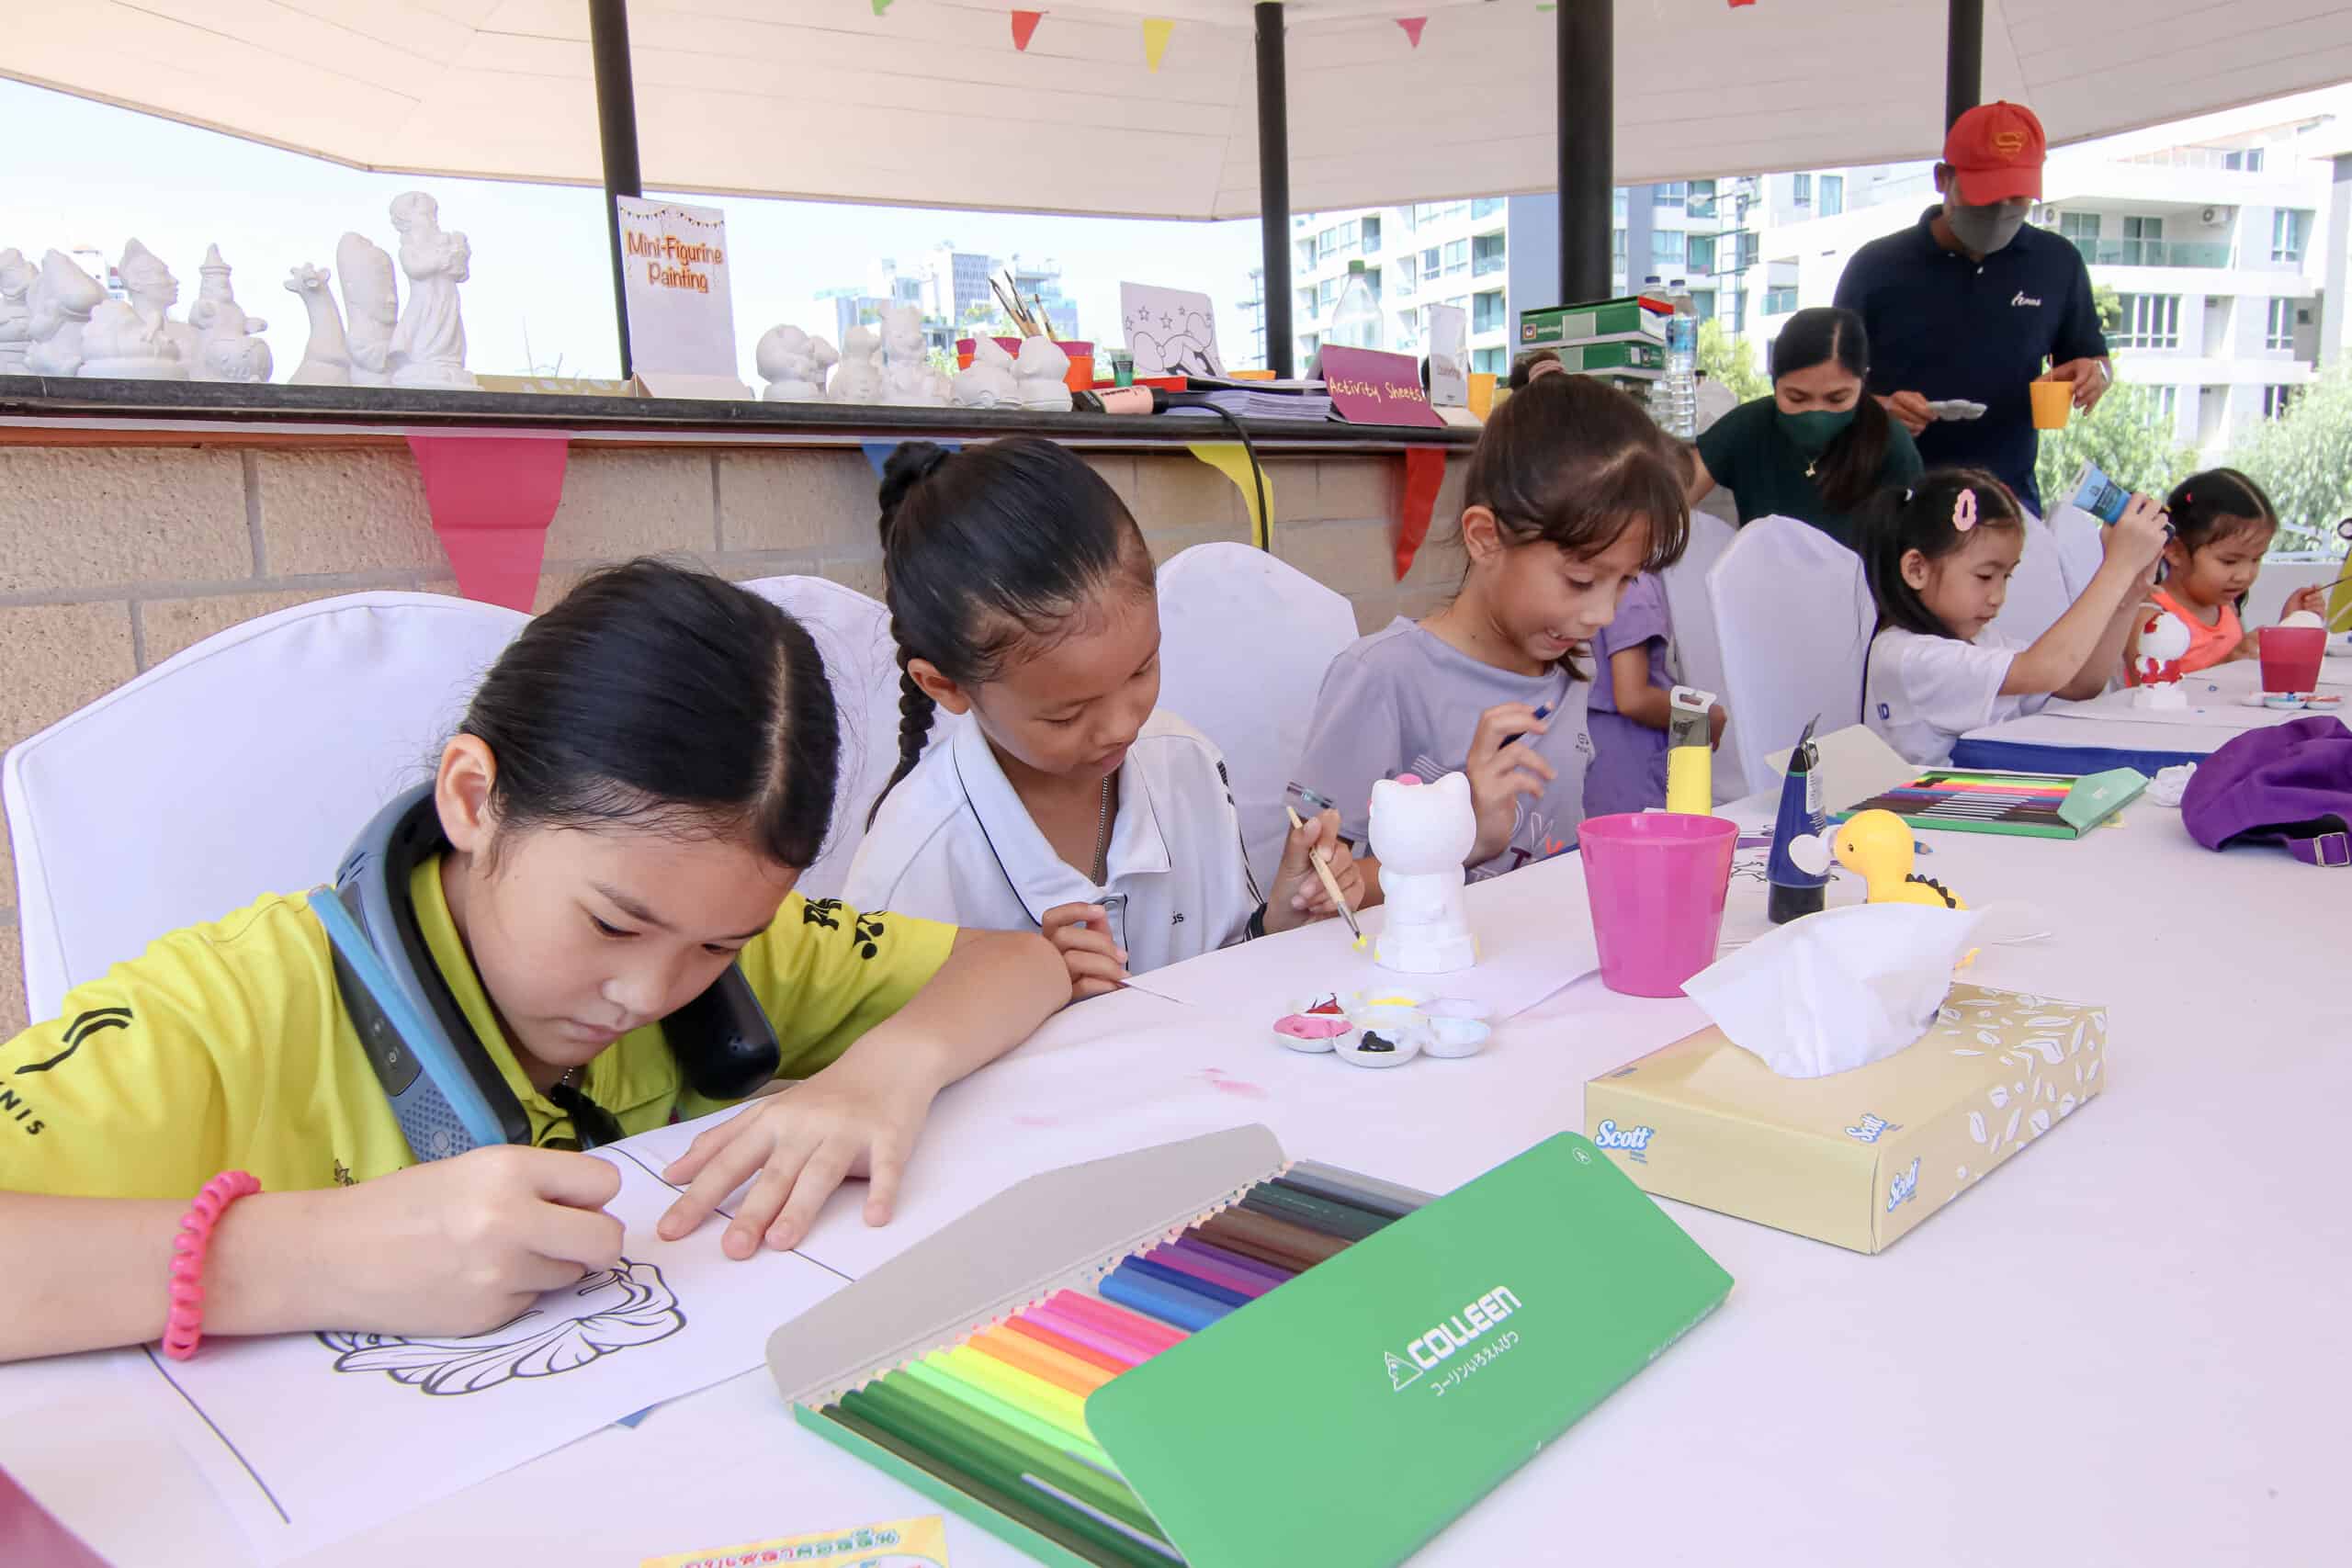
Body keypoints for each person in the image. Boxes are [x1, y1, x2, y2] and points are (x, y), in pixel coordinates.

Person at [0, 560, 1069, 1364]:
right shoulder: (224, 1013)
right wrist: (315, 1256)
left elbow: (1023, 966)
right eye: (610, 926)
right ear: (472, 799)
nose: (650, 992)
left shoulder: (731, 945)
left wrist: (879, 1076)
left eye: (716, 945)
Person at [843, 439, 1362, 1003]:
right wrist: (1023, 1000)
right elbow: (876, 1078)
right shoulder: (915, 861)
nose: (1122, 727)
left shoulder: (1186, 762)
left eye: (1142, 670)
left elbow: (1223, 973)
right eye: (1067, 714)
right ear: (945, 686)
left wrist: (1280, 920)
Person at [1295, 372, 1689, 883]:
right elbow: (1313, 890)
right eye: (1580, 580)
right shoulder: (1382, 677)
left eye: (1625, 582)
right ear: (1485, 538)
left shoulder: (1571, 668)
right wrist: (1466, 839)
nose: (1602, 616)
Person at [1833, 101, 2110, 517]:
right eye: (1985, 198)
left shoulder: (2057, 263)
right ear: (1943, 179)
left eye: (2017, 198)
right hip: (1892, 501)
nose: (2001, 211)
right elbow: (1825, 392)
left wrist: (2095, 375)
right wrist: (1880, 409)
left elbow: (2092, 357)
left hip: (2006, 500)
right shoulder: (1876, 267)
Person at [1861, 469, 2168, 766]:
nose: (1998, 596)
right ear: (1916, 569)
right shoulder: (1908, 657)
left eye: (2006, 576)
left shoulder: (1980, 640)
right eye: (1984, 576)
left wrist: (2131, 589)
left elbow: (2079, 682)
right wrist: (2118, 567)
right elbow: (2048, 669)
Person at [1685, 307, 1924, 551]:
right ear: (1774, 381)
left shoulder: (1891, 443)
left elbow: (1916, 548)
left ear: (1863, 381)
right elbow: (1674, 496)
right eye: (1797, 398)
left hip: (1860, 588)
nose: (1815, 415)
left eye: (1837, 399)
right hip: (1767, 582)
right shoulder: (1749, 425)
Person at [2126, 468, 2334, 679]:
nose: (2244, 575)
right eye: (2229, 561)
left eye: (2256, 559)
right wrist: (2230, 662)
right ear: (2175, 551)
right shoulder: (2150, 617)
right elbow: (2151, 695)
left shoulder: (2227, 607)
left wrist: (2290, 626)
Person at [1584, 571, 1726, 818]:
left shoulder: (1591, 578)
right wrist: (1704, 716)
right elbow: (1633, 698)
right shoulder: (1634, 586)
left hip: (1596, 756)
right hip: (1631, 761)